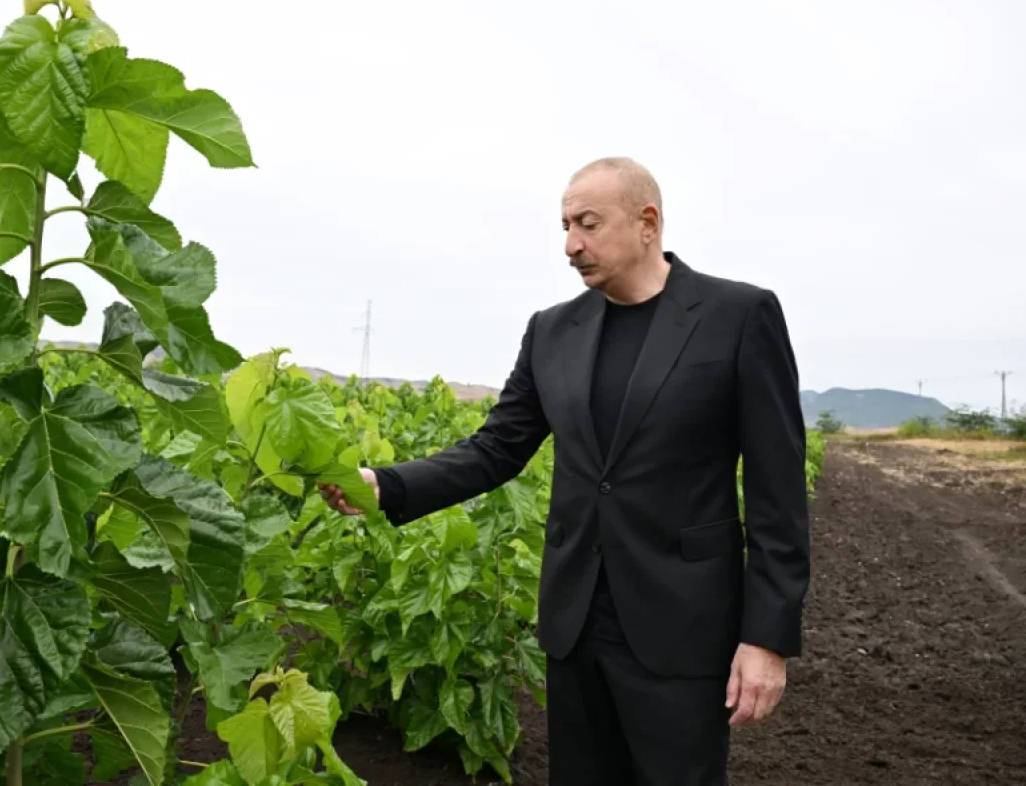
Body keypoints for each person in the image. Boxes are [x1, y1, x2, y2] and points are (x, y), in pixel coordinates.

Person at [318, 156, 810, 785]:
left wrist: (767, 638)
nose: (571, 245)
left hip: (683, 627)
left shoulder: (737, 316)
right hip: (575, 624)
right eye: (565, 226)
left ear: (647, 223)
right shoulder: (552, 331)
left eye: (588, 224)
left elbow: (777, 492)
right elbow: (497, 448)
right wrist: (388, 485)